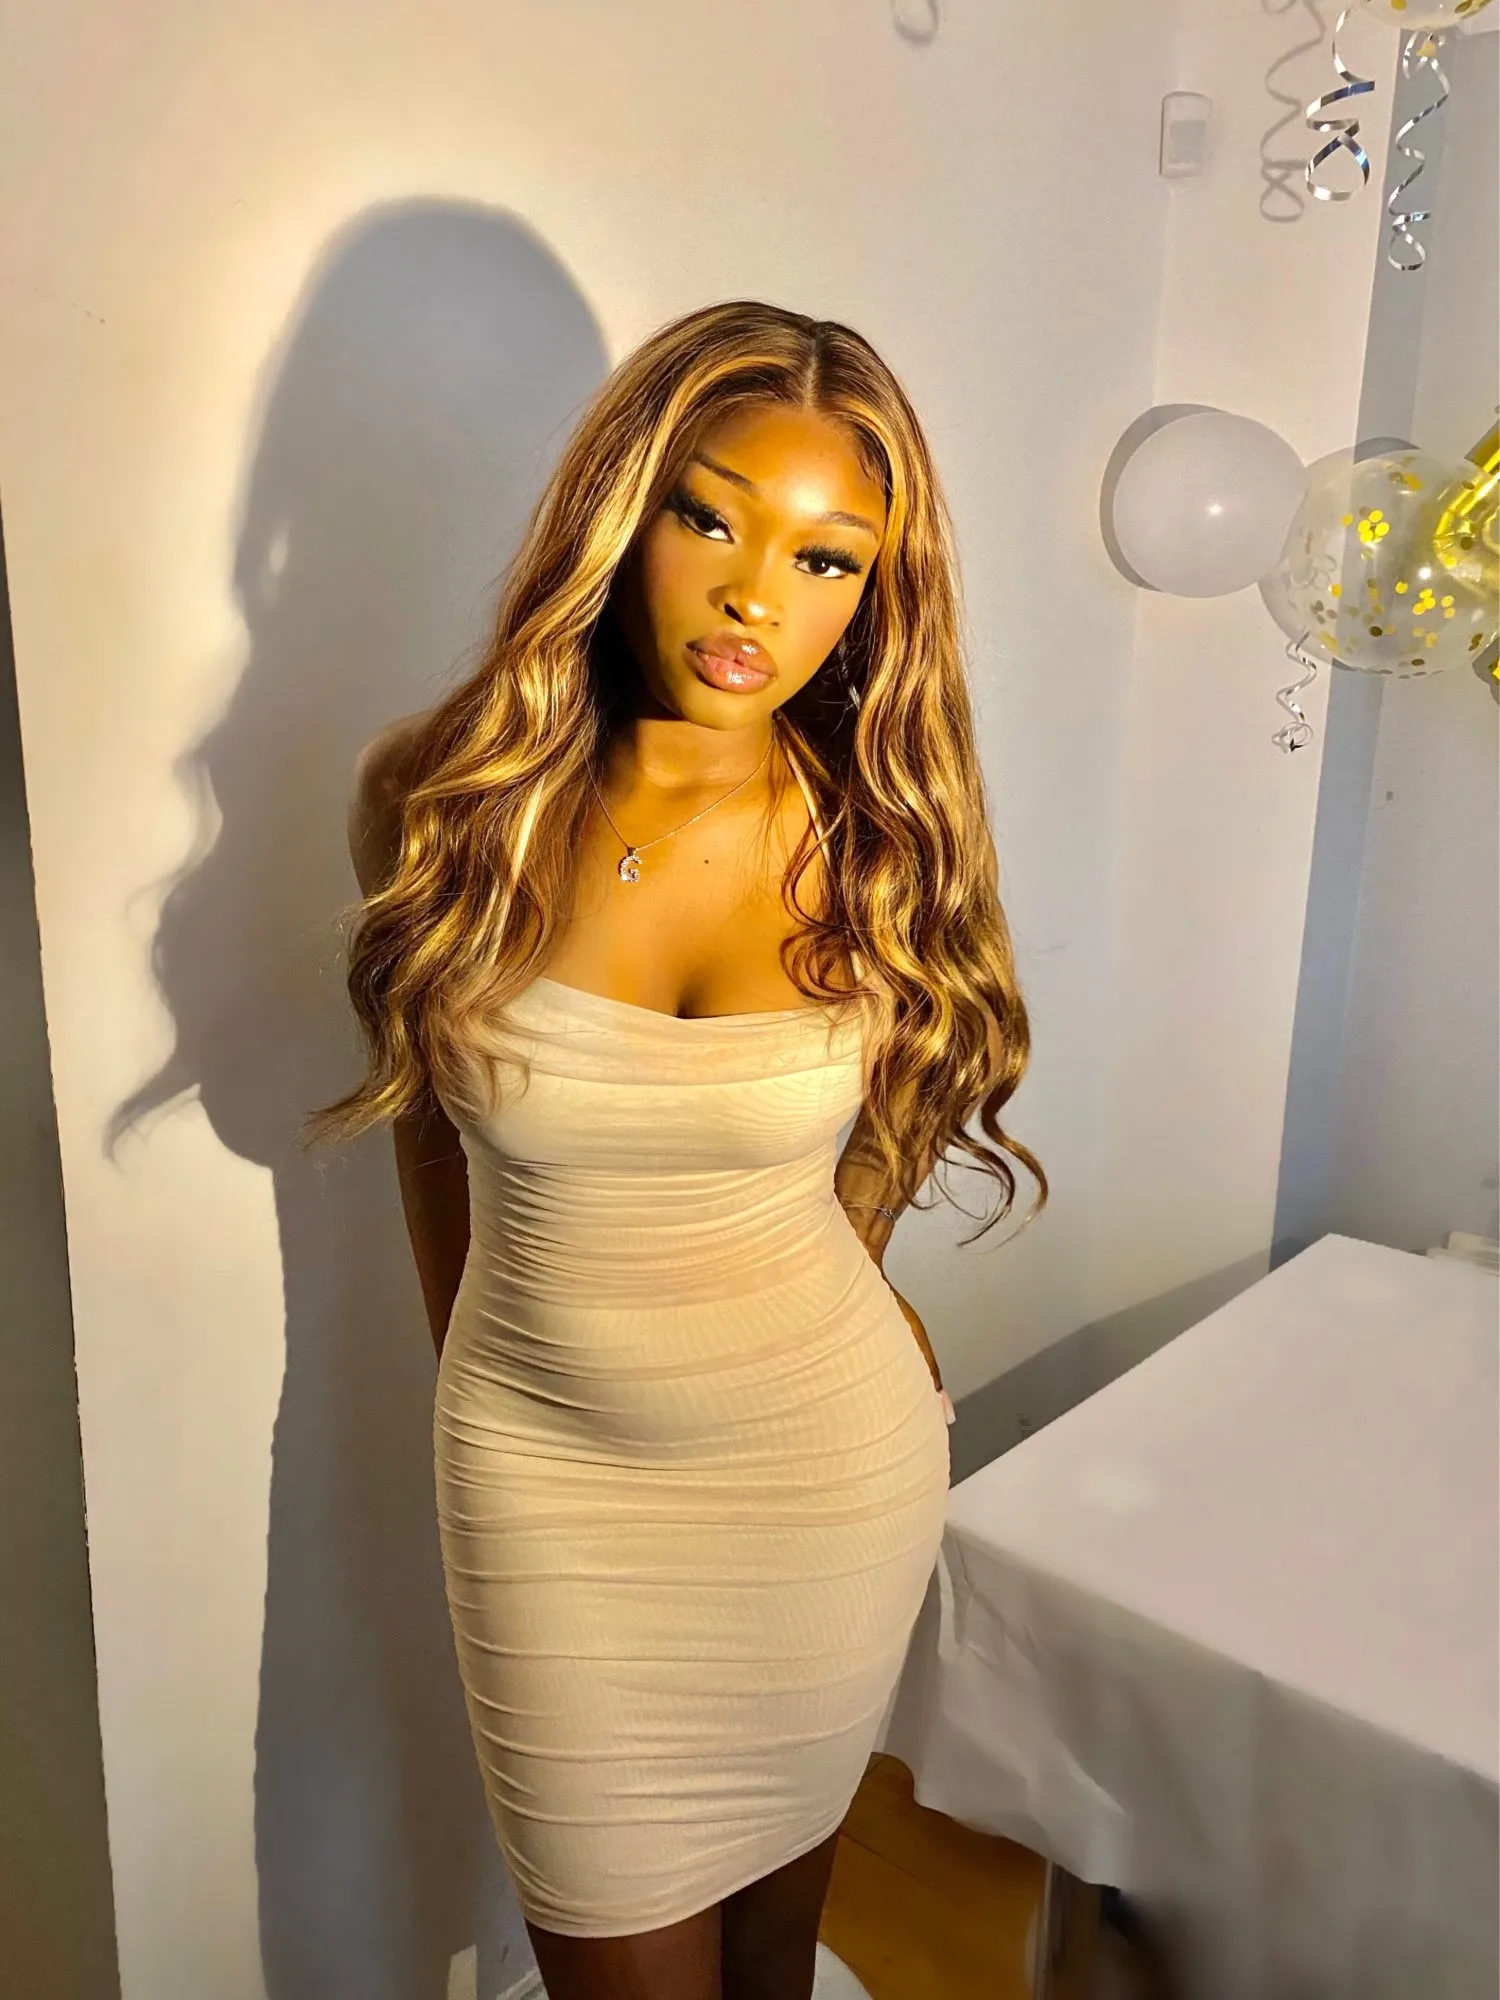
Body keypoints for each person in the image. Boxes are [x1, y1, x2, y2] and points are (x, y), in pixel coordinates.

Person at [314, 300, 1046, 2000]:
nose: (754, 598)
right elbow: (427, 1119)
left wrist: (857, 1279)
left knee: (777, 1954)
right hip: (545, 1484)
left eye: (826, 558)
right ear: (620, 512)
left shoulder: (882, 836)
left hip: (821, 1472)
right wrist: (474, 1360)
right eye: (711, 519)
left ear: (876, 594)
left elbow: (889, 1123)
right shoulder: (439, 800)